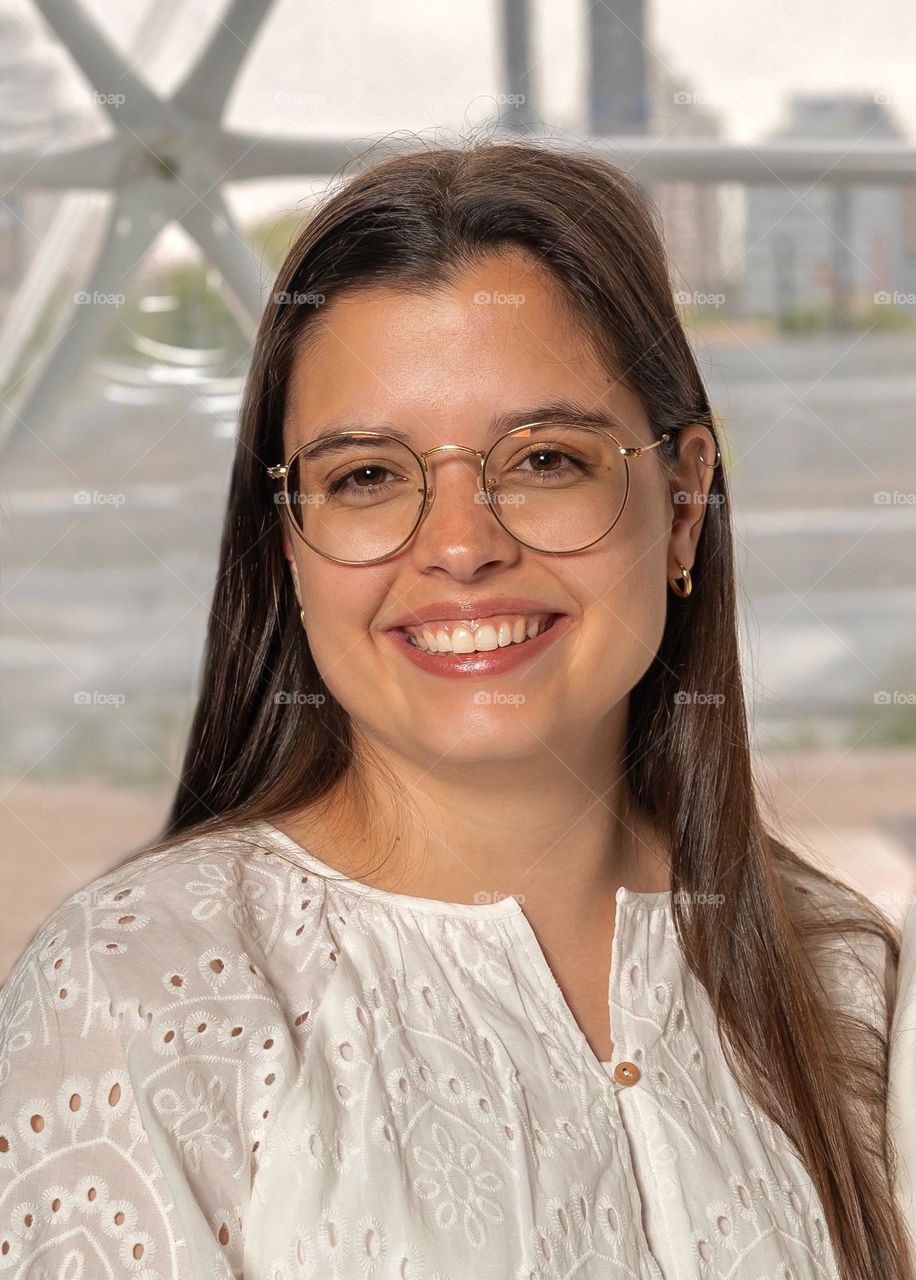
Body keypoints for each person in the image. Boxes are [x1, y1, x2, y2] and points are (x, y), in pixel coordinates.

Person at [1, 138, 914, 1280]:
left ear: (683, 504)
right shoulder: (137, 993)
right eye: (366, 476)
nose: (462, 547)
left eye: (543, 459)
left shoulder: (851, 979)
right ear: (288, 544)